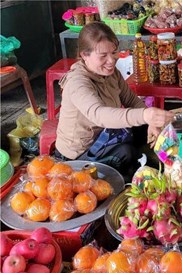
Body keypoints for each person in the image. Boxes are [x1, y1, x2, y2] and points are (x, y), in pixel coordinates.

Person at [55, 22, 175, 180]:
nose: (111, 60)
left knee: (145, 127)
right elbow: (99, 115)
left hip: (106, 137)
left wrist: (150, 122)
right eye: (103, 56)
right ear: (85, 55)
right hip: (78, 155)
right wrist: (146, 115)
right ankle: (132, 176)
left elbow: (131, 99)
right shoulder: (78, 83)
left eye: (114, 52)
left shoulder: (110, 73)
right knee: (126, 152)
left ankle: (157, 166)